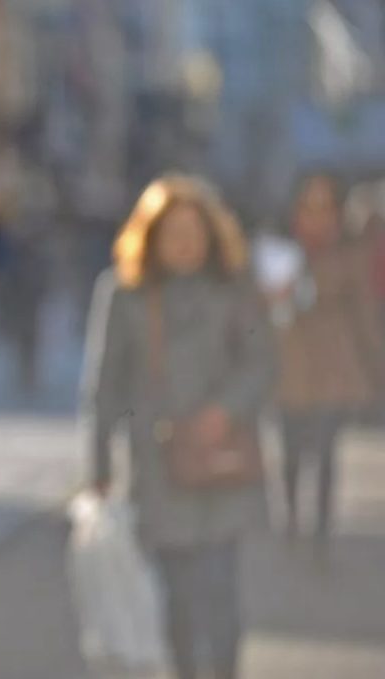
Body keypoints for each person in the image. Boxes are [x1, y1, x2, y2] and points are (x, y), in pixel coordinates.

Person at [82, 174, 273, 679]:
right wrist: (99, 465)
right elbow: (103, 386)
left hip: (222, 460)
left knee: (221, 592)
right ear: (151, 235)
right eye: (173, 231)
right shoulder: (123, 293)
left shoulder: (234, 288)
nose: (185, 242)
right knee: (179, 599)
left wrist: (225, 410)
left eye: (194, 230)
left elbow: (260, 361)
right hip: (157, 465)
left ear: (212, 234)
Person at [273, 173, 385, 553]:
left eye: (325, 207)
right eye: (310, 206)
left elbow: (365, 313)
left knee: (324, 449)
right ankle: (289, 520)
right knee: (290, 450)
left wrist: (375, 363)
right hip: (289, 365)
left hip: (333, 366)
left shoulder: (349, 254)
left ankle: (319, 530)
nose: (317, 216)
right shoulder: (282, 252)